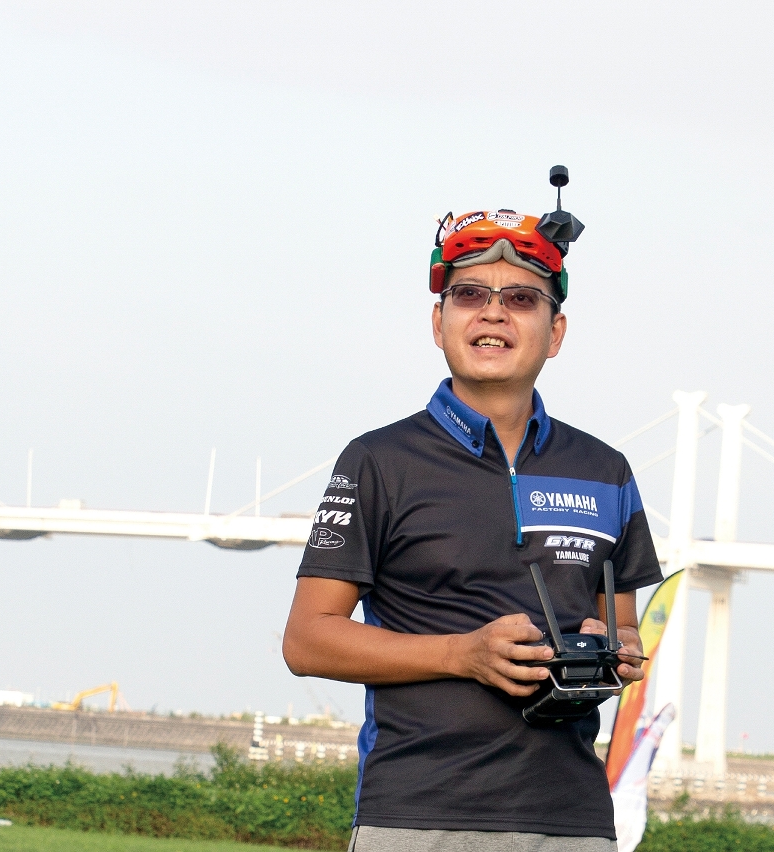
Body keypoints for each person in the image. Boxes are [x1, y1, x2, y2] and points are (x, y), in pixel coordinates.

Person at [282, 203, 665, 851]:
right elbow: (307, 641)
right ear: (439, 323)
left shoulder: (607, 471)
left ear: (556, 331)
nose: (493, 313)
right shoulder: (379, 461)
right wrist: (464, 654)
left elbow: (620, 628)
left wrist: (615, 650)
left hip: (571, 821)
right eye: (469, 295)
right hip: (415, 815)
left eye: (521, 298)